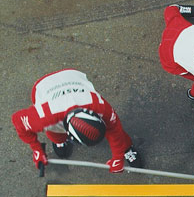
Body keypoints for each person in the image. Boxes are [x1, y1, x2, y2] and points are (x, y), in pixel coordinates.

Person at [11, 69, 141, 172]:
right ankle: (60, 141)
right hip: (45, 87)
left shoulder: (100, 107)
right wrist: (37, 149)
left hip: (72, 79)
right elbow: (17, 121)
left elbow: (115, 129)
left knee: (117, 132)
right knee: (54, 131)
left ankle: (126, 148)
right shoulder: (43, 118)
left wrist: (118, 156)